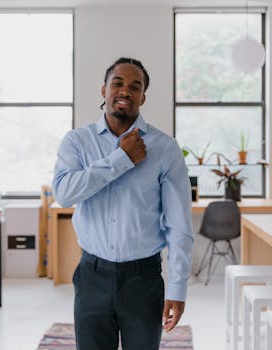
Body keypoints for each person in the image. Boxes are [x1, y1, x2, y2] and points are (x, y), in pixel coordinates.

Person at [53, 57, 194, 350]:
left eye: (135, 86)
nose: (125, 91)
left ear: (143, 97)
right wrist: (122, 160)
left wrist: (178, 288)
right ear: (103, 90)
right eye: (117, 83)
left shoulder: (165, 148)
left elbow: (179, 224)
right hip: (92, 276)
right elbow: (65, 194)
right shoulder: (77, 142)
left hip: (144, 281)